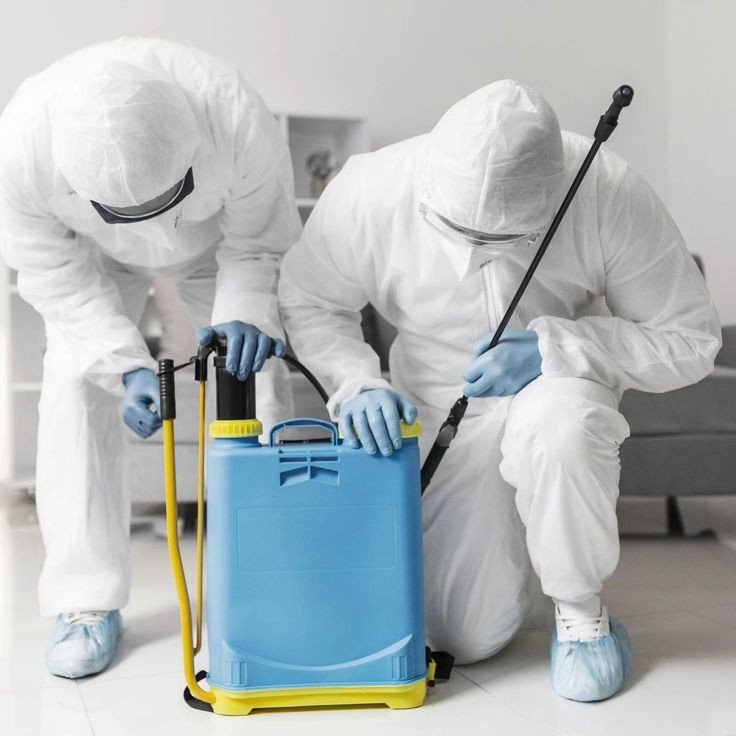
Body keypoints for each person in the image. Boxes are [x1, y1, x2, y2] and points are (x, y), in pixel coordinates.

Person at [278, 80, 721, 702]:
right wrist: (355, 383)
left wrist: (555, 347)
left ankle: (581, 613)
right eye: (455, 231)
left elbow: (690, 339)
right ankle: (530, 558)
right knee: (465, 635)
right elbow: (309, 299)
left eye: (500, 241)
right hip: (435, 399)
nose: (473, 256)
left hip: (557, 384)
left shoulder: (606, 187)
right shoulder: (369, 188)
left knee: (560, 428)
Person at [0, 38, 300, 678]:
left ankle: (270, 581)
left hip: (220, 248)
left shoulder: (231, 110)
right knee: (73, 384)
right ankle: (85, 601)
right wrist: (126, 366)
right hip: (94, 260)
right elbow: (51, 272)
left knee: (254, 381)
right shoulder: (21, 144)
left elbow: (259, 240)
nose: (155, 231)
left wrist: (244, 312)